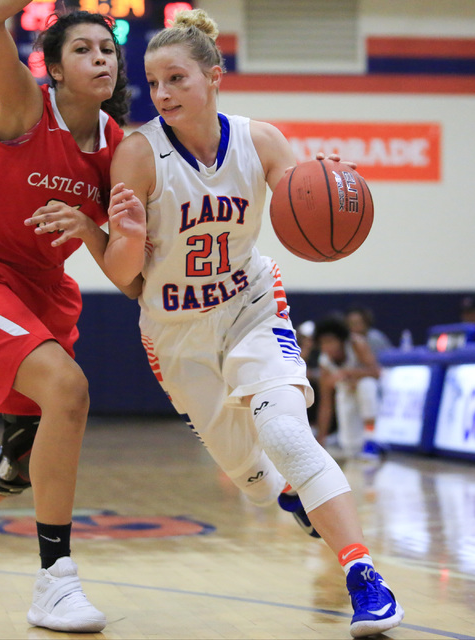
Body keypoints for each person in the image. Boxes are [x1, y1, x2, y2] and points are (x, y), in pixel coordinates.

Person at [102, 9, 404, 638]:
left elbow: (305, 215)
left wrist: (327, 186)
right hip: (175, 332)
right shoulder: (138, 153)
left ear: (215, 77)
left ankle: (364, 578)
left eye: (176, 79)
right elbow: (123, 274)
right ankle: (292, 497)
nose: (162, 94)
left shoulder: (261, 141)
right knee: (256, 484)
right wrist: (125, 236)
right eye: (154, 83)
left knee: (288, 434)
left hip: (251, 307)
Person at [0, 1, 135, 633]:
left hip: (44, 289)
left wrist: (94, 228)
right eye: (83, 49)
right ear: (55, 69)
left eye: (107, 49)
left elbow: (127, 278)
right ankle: (55, 581)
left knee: (21, 456)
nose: (100, 58)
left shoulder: (124, 149)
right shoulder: (26, 108)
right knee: (69, 388)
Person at [314, 315, 383, 459]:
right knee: (350, 447)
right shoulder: (324, 362)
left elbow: (376, 372)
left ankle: (371, 440)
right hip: (346, 390)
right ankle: (357, 447)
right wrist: (321, 439)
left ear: (341, 340)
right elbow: (326, 404)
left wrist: (347, 372)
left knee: (366, 387)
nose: (327, 346)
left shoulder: (356, 344)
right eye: (323, 343)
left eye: (330, 341)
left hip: (372, 387)